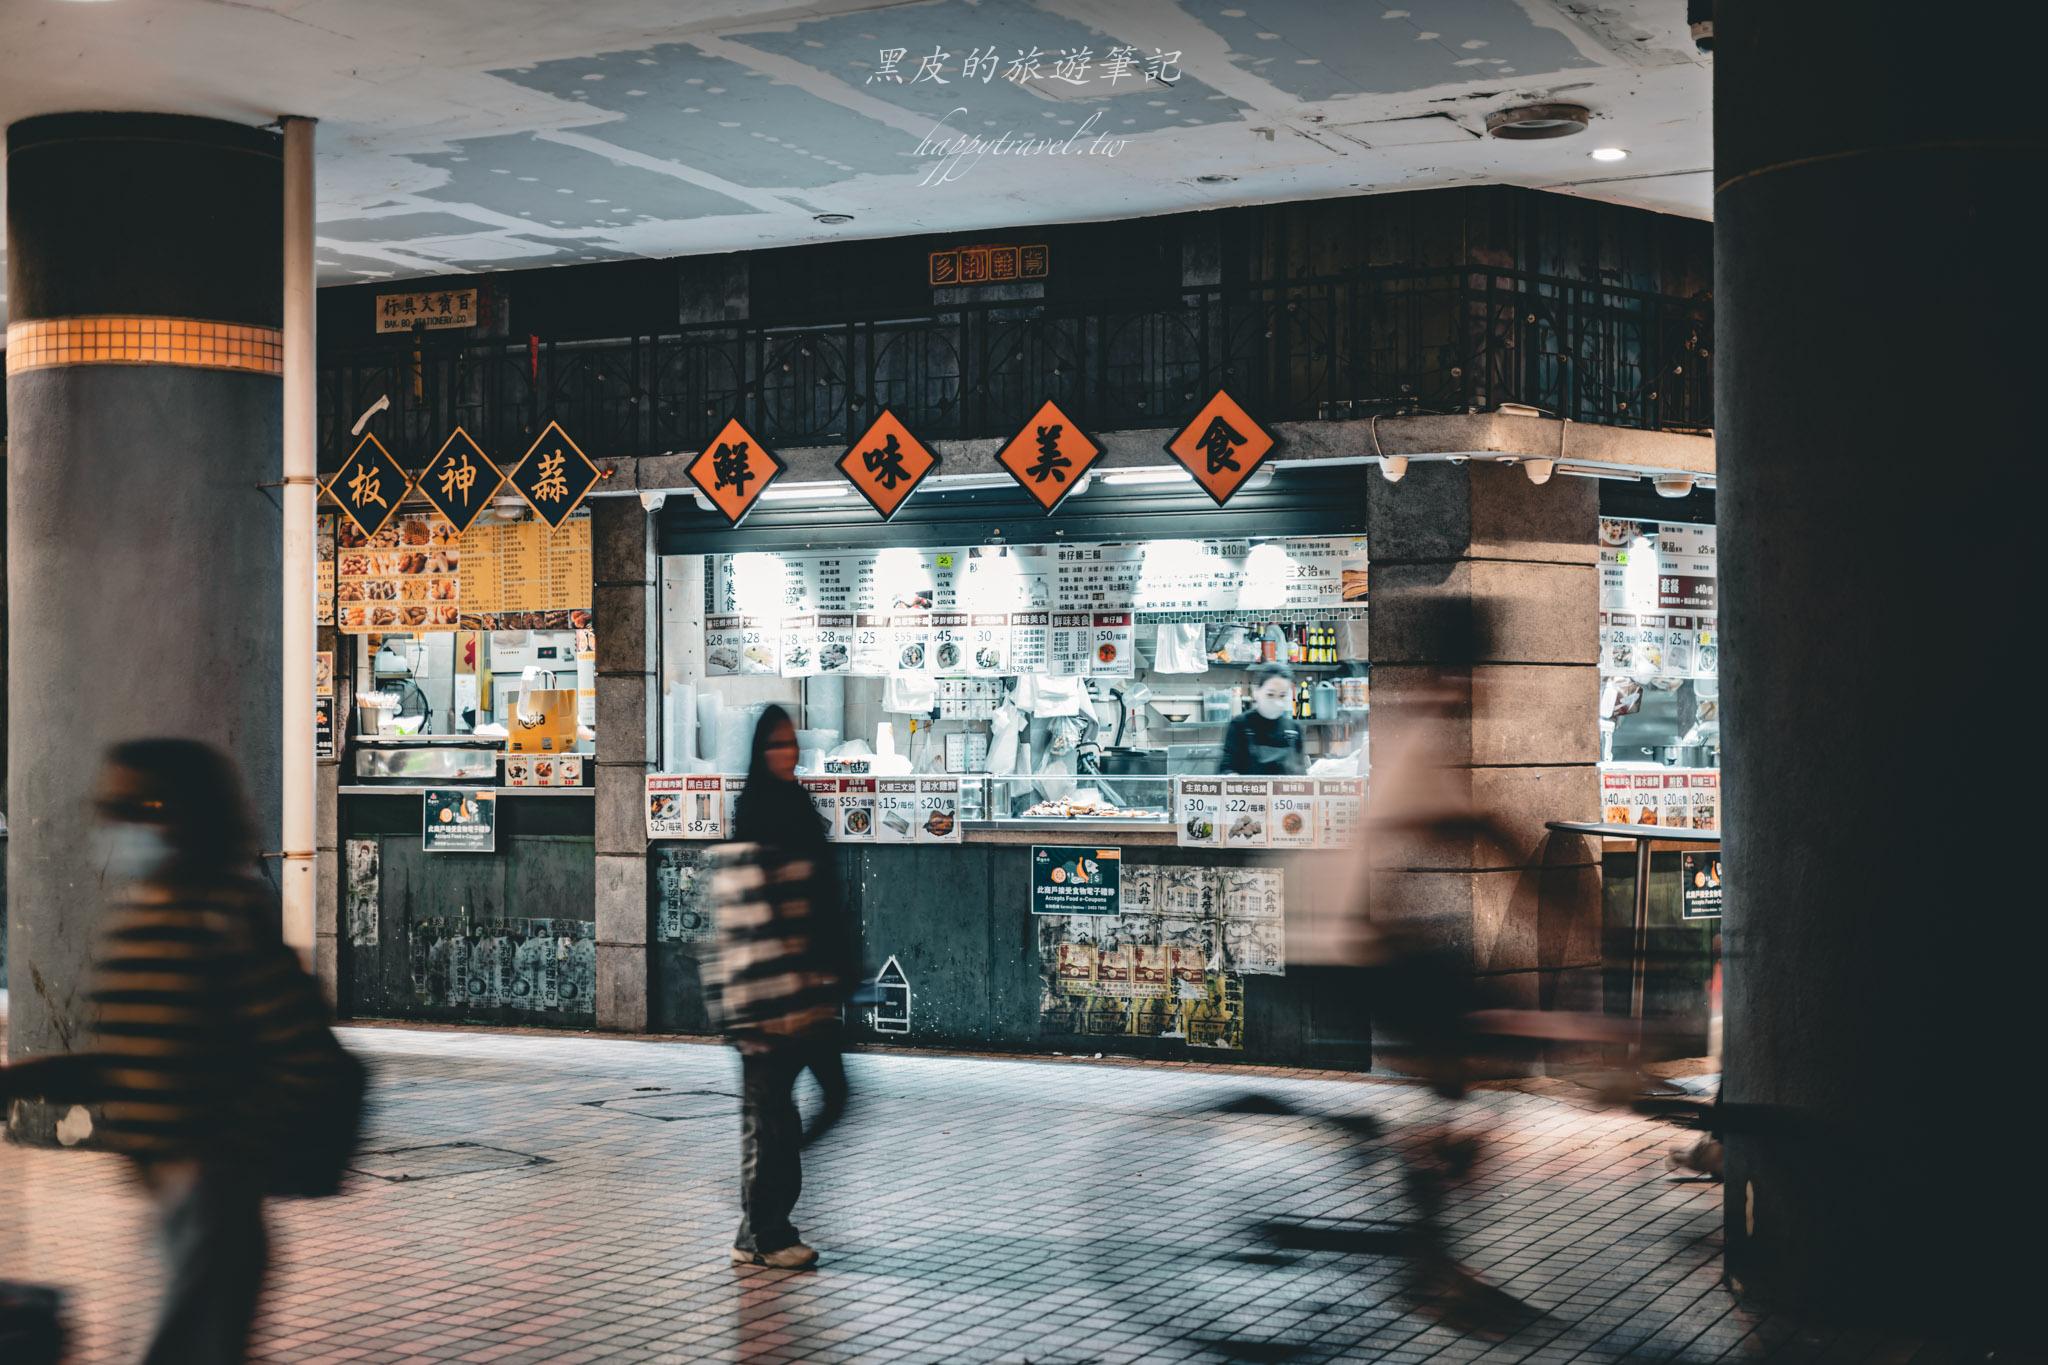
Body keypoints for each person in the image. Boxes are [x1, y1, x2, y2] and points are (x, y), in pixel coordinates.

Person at [0, 740, 344, 1364]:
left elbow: (303, 1055)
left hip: (209, 1196)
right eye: (114, 807)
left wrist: (219, 1160)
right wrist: (24, 1079)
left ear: (194, 814)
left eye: (143, 806)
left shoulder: (223, 914)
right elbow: (137, 1059)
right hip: (172, 1194)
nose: (120, 823)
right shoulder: (146, 912)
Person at [707, 706, 859, 1270]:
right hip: (767, 1002)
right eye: (775, 745)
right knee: (774, 1121)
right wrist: (749, 1009)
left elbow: (824, 904)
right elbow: (744, 922)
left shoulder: (797, 806)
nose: (786, 753)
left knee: (819, 1105)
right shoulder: (755, 815)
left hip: (809, 994)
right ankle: (767, 1234)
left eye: (791, 742)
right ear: (759, 752)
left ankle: (757, 1220)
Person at [1218, 662, 1306, 775]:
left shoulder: (1294, 730)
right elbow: (1226, 770)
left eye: (1282, 695)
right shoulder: (1240, 725)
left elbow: (1301, 775)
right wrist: (1233, 777)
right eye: (1270, 694)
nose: (1276, 701)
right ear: (1257, 692)